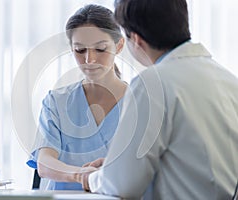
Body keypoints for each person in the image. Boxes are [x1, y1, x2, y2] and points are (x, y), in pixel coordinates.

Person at [82, 0, 238, 199]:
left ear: (136, 40)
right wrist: (117, 165)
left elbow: (122, 185)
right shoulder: (228, 80)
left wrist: (91, 178)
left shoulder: (152, 84)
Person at [26, 4, 127, 190]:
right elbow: (45, 162)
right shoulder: (57, 102)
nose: (90, 60)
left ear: (119, 45)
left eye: (101, 49)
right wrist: (82, 176)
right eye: (80, 50)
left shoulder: (140, 102)